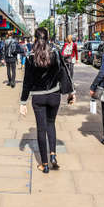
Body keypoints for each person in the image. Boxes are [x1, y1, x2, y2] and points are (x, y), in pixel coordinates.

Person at [20, 27, 75, 173]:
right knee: (51, 124)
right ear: (48, 37)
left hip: (38, 97)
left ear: (35, 38)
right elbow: (63, 72)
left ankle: (44, 164)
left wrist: (23, 102)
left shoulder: (31, 56)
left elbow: (27, 81)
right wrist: (70, 92)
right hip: (54, 96)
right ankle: (53, 156)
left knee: (41, 128)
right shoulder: (55, 53)